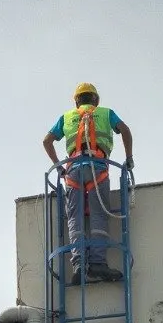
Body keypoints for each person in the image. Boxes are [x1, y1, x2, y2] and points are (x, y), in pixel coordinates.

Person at [43, 82, 135, 284]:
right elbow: (125, 130)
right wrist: (129, 159)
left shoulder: (66, 117)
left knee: (74, 218)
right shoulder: (106, 113)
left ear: (77, 101)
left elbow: (46, 141)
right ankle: (98, 264)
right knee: (99, 214)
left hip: (73, 170)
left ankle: (78, 265)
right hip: (98, 168)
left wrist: (58, 166)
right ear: (96, 99)